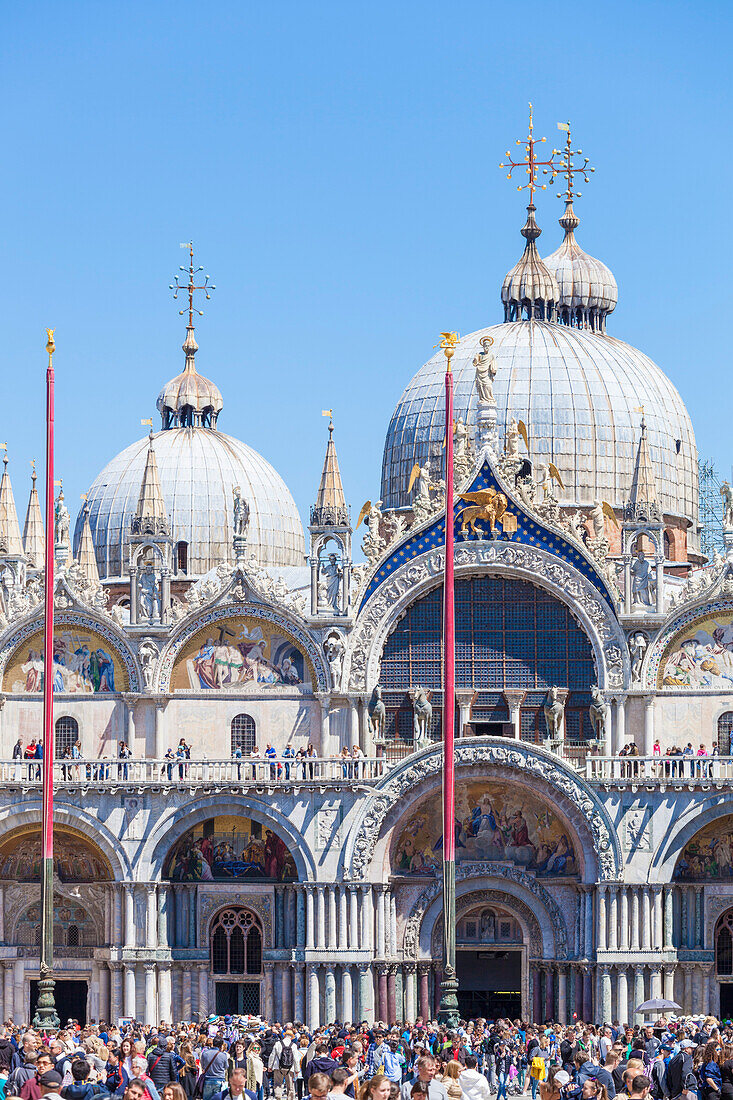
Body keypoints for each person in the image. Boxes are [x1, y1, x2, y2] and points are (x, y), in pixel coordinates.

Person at [269, 1029, 297, 1100]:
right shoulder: (293, 1045)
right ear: (291, 1037)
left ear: (284, 1036)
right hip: (290, 1068)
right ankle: (289, 1098)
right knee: (290, 1086)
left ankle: (278, 1096)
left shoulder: (278, 1043)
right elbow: (296, 1059)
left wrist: (270, 1066)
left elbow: (272, 1055)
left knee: (277, 1084)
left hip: (278, 1067)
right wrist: (297, 1069)